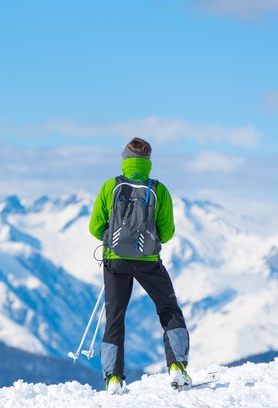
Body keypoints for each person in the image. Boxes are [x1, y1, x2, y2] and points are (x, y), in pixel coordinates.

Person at [88, 137, 191, 394]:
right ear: (149, 162)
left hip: (115, 260)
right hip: (148, 261)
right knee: (168, 309)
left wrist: (112, 239)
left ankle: (113, 378)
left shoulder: (110, 187)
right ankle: (177, 366)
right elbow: (167, 233)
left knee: (115, 316)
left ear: (125, 159)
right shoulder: (159, 189)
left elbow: (94, 227)